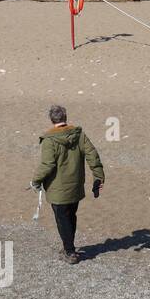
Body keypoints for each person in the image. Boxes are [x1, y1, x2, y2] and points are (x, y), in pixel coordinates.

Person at [31, 104, 105, 265]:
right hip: (75, 186)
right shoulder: (79, 135)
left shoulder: (50, 140)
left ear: (52, 119)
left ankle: (70, 252)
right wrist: (98, 176)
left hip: (58, 189)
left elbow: (47, 165)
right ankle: (69, 247)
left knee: (62, 219)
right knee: (71, 216)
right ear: (65, 117)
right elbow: (93, 155)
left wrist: (35, 181)